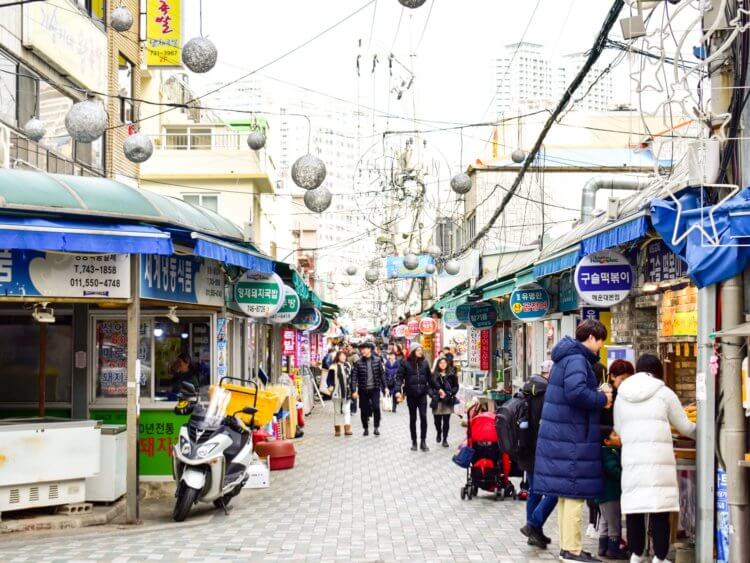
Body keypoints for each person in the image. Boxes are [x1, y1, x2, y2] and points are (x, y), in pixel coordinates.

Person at [534, 320, 612, 563]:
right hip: (572, 438)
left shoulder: (565, 358)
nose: (600, 346)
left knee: (567, 496)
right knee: (575, 496)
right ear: (590, 337)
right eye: (600, 340)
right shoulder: (577, 360)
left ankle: (569, 547)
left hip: (565, 436)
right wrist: (602, 398)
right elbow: (576, 392)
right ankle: (573, 550)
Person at [614, 354, 696, 563]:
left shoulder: (622, 395)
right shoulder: (664, 393)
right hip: (659, 460)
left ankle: (636, 554)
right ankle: (660, 557)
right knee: (659, 507)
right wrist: (704, 433)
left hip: (632, 459)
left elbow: (619, 429)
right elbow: (685, 426)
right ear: (658, 371)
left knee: (635, 507)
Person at [520, 359, 557, 549]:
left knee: (534, 491)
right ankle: (533, 524)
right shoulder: (547, 393)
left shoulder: (528, 388)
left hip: (526, 448)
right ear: (550, 373)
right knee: (554, 492)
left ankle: (535, 534)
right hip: (542, 450)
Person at [596, 426, 629, 560]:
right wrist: (624, 476)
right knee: (614, 522)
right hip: (611, 494)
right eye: (614, 435)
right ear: (606, 441)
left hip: (602, 495)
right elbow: (613, 470)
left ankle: (602, 547)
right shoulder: (610, 453)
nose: (619, 437)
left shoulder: (604, 451)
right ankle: (613, 549)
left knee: (605, 521)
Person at [396, 342, 432, 451]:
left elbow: (430, 379)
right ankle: (414, 442)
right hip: (411, 395)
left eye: (421, 349)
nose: (420, 351)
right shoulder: (405, 363)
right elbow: (399, 378)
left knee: (424, 417)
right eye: (418, 350)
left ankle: (423, 441)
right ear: (413, 351)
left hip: (422, 395)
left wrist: (436, 390)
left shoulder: (425, 363)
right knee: (413, 419)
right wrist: (398, 390)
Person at [351, 342, 387, 436]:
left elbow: (382, 374)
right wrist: (353, 390)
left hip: (375, 389)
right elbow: (354, 377)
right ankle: (365, 428)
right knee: (364, 409)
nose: (362, 351)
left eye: (364, 349)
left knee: (376, 407)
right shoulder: (358, 362)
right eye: (361, 349)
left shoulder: (377, 360)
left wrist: (385, 387)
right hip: (363, 390)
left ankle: (376, 427)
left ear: (369, 349)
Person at [429, 357, 458, 447]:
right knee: (437, 421)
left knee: (446, 421)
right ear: (438, 364)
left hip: (447, 400)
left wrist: (450, 393)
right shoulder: (433, 375)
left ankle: (445, 439)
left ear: (447, 364)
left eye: (444, 363)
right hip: (436, 400)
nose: (442, 364)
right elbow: (429, 387)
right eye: (440, 363)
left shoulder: (451, 374)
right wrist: (434, 394)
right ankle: (438, 432)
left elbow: (456, 386)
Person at [326, 351, 353, 437]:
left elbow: (352, 378)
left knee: (347, 410)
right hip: (337, 392)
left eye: (345, 356)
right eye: (342, 356)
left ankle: (347, 429)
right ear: (338, 357)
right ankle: (337, 430)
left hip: (347, 391)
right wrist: (330, 386)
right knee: (337, 411)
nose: (344, 357)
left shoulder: (348, 365)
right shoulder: (333, 367)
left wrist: (354, 389)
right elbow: (329, 379)